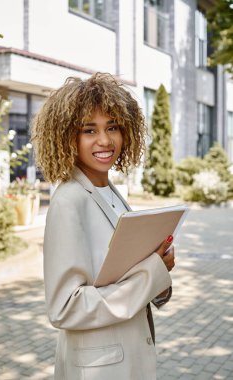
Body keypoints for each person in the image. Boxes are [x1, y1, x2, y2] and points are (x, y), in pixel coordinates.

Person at [31, 73, 175, 380]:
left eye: (112, 127)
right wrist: (152, 272)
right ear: (68, 137)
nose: (105, 140)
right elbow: (64, 307)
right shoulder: (69, 200)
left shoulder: (109, 191)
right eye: (89, 130)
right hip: (99, 368)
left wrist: (160, 271)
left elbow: (124, 275)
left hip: (126, 359)